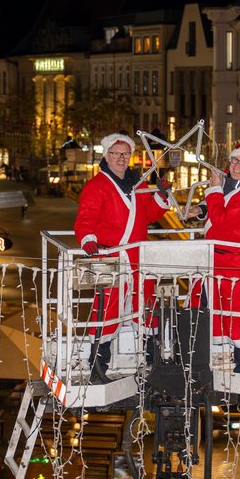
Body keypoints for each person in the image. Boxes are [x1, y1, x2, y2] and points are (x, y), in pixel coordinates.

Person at [74, 132, 172, 383]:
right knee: (106, 309)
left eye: (124, 154)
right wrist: (88, 239)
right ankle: (98, 364)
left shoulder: (137, 185)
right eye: (115, 153)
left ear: (130, 156)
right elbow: (85, 217)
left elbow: (149, 214)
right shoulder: (96, 186)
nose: (120, 158)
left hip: (139, 257)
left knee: (146, 305)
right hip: (111, 255)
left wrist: (161, 196)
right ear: (106, 155)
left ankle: (152, 360)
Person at [186, 143, 240, 374]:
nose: (236, 166)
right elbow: (222, 205)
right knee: (225, 311)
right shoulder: (233, 183)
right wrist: (201, 210)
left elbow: (223, 223)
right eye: (234, 161)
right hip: (224, 261)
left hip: (237, 263)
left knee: (238, 316)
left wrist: (212, 191)